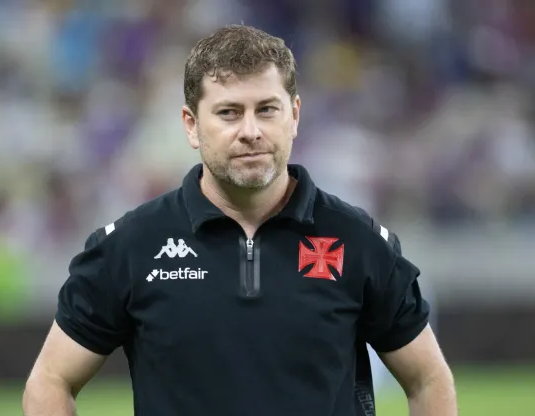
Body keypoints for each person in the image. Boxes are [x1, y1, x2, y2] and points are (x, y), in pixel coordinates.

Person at [22, 24, 457, 416]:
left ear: (295, 116)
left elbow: (428, 379)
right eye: (229, 112)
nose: (251, 130)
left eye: (267, 109)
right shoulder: (131, 246)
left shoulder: (358, 241)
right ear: (191, 125)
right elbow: (50, 381)